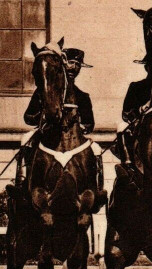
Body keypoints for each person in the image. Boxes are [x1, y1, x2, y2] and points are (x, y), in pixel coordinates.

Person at [15, 47, 94, 187]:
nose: (74, 68)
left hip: (74, 139)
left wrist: (81, 125)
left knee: (97, 151)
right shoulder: (42, 92)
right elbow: (28, 117)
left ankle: (96, 186)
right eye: (70, 63)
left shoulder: (83, 96)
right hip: (47, 135)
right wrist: (42, 117)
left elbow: (89, 123)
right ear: (63, 65)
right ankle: (22, 183)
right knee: (25, 140)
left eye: (78, 64)